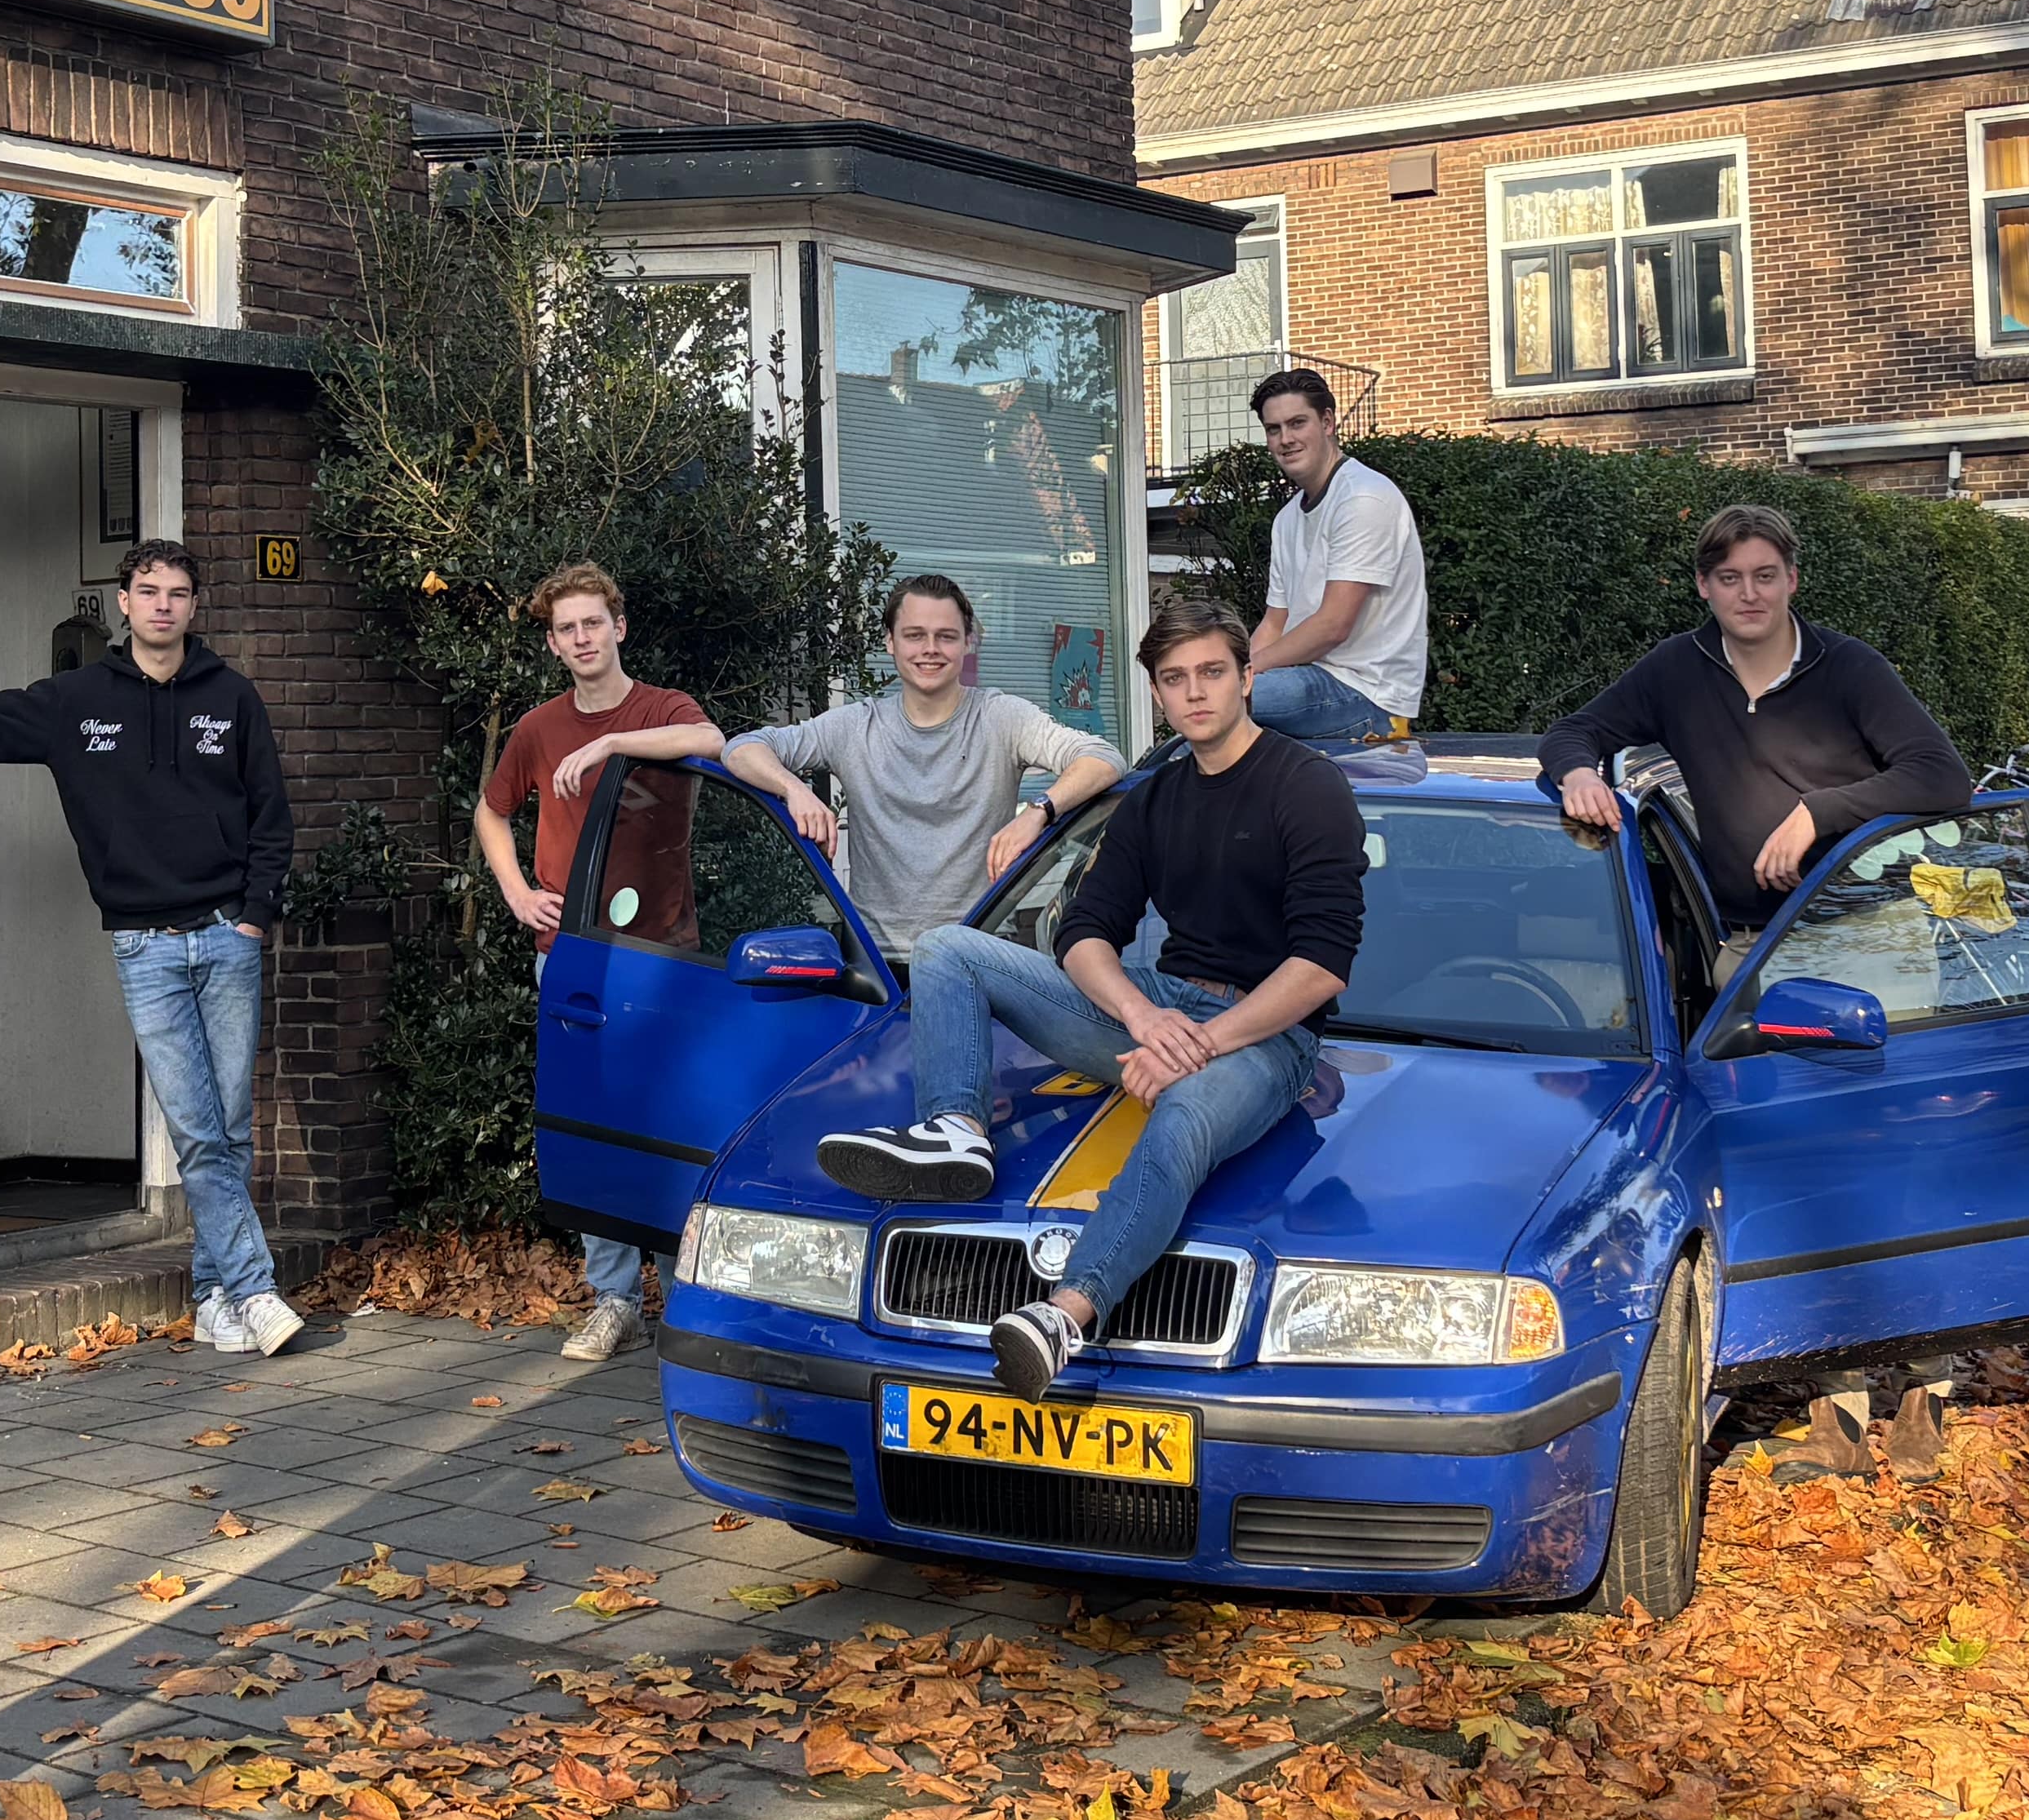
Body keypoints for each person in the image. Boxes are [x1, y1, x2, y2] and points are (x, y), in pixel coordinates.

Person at [812, 597, 1365, 1396]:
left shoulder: (1306, 786)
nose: (1195, 692)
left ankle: (1063, 1314)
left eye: (1213, 672)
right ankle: (957, 1130)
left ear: (1248, 677)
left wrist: (1197, 1046)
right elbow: (1083, 931)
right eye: (1175, 678)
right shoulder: (1154, 797)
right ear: (1158, 694)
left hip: (1268, 1037)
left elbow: (1321, 965)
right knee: (947, 950)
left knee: (1184, 1115)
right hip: (1161, 1006)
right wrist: (1144, 1018)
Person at [0, 539, 304, 1356]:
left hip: (227, 936)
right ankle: (256, 1291)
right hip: (145, 948)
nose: (163, 605)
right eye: (149, 591)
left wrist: (255, 915)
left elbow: (272, 813)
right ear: (124, 602)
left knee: (230, 1128)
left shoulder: (231, 697)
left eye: (177, 593)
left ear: (195, 606)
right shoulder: (77, 701)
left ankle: (215, 1297)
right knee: (198, 1130)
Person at [474, 564, 710, 1365]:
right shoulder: (538, 729)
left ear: (619, 627)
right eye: (567, 629)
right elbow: (492, 812)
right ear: (553, 643)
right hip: (573, 961)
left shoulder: (661, 709)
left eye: (593, 623)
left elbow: (710, 742)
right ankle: (615, 1301)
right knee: (594, 1132)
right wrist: (517, 894)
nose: (582, 638)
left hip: (664, 959)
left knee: (669, 1128)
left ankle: (682, 1303)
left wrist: (611, 743)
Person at [1541, 501, 1974, 930]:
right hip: (1749, 941)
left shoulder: (1851, 667)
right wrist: (1579, 775)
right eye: (1730, 578)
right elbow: (1574, 731)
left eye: (1764, 576)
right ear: (1704, 585)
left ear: (1791, 580)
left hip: (1869, 928)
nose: (1749, 594)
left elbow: (1942, 774)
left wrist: (1816, 813)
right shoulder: (1674, 671)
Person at [684, 575, 1127, 941]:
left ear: (968, 643)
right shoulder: (855, 726)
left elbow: (1104, 757)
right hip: (877, 964)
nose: (930, 649)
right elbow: (741, 749)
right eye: (915, 635)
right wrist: (793, 789)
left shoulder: (1002, 717)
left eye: (946, 636)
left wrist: (1039, 811)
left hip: (983, 952)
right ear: (890, 642)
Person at [1241, 370, 1427, 745]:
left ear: (1327, 422)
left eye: (1297, 423)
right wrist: (1238, 672)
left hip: (1370, 696)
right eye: (1274, 429)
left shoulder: (1363, 498)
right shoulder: (1287, 519)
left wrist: (1239, 678)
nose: (1285, 439)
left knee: (1215, 699)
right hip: (1308, 679)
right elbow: (1275, 622)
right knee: (1209, 701)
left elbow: (1333, 625)